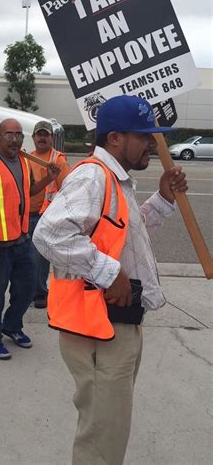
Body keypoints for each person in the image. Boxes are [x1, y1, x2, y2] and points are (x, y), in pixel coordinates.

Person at [33, 95, 188, 464]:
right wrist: (108, 273)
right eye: (144, 135)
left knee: (108, 432)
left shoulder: (116, 180)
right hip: (101, 331)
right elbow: (49, 235)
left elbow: (122, 237)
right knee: (102, 442)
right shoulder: (93, 176)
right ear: (115, 138)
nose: (152, 142)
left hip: (115, 326)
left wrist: (163, 200)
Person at [0, 118, 58, 360]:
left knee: (28, 288)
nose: (14, 139)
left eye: (19, 135)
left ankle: (11, 325)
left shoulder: (23, 162)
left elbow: (27, 192)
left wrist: (48, 179)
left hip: (20, 240)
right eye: (9, 135)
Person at [28, 120, 70, 309]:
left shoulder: (58, 160)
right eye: (39, 134)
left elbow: (67, 190)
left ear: (51, 138)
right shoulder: (27, 158)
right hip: (27, 215)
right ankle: (29, 291)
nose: (42, 137)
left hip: (46, 216)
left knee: (39, 258)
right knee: (27, 258)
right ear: (33, 138)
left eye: (46, 134)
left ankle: (39, 293)